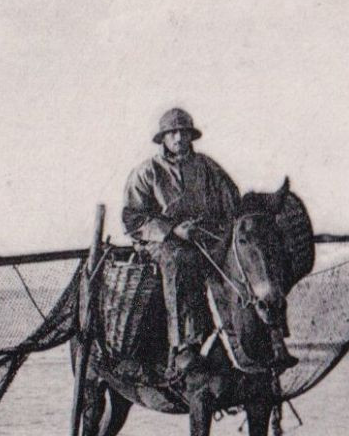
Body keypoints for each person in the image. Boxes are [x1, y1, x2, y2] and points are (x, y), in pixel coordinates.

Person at [123, 108, 296, 380]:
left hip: (206, 234)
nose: (179, 137)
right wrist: (173, 230)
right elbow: (132, 218)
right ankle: (185, 345)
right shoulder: (146, 172)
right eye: (172, 133)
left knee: (249, 258)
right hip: (162, 242)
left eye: (184, 132)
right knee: (180, 260)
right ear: (163, 138)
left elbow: (231, 201)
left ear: (191, 136)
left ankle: (273, 339)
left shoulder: (207, 166)